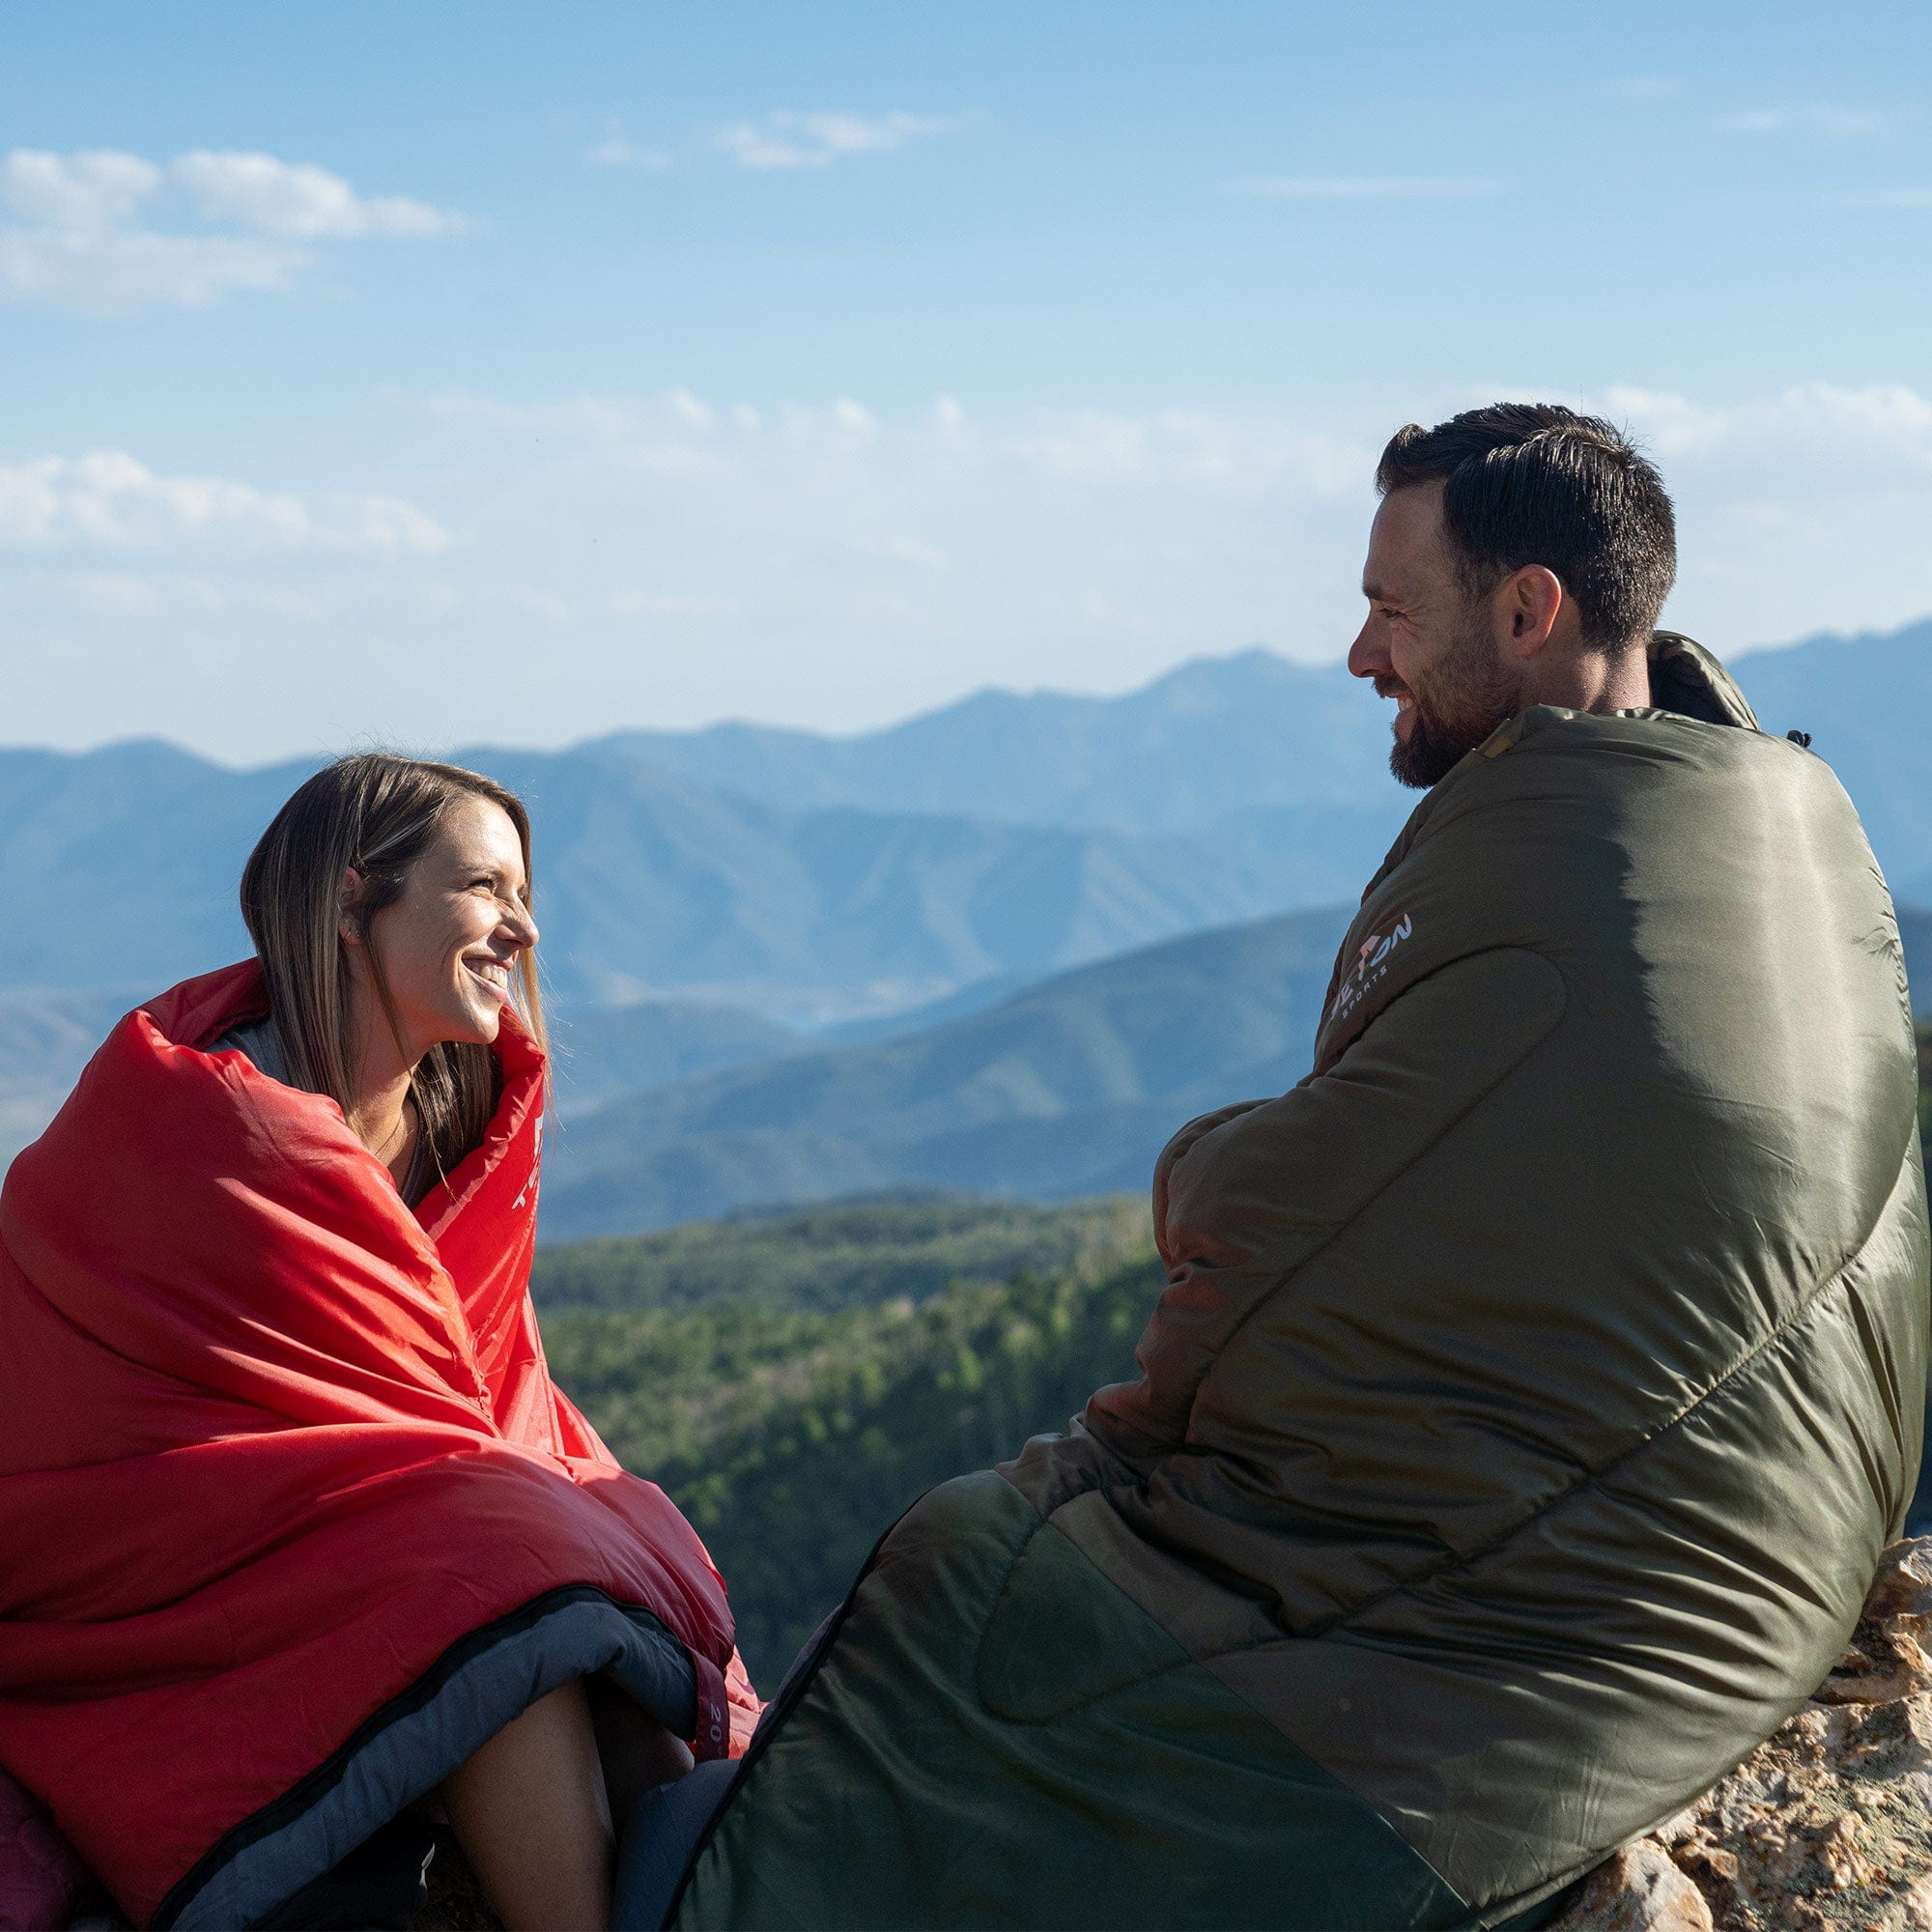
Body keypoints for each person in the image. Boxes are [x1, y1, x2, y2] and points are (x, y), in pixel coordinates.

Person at [642, 406, 1929, 1931]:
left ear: (1530, 610)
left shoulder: (1580, 868)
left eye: (1394, 608)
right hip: (1755, 1557)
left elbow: (1278, 1239)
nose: (1359, 654)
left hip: (1519, 1659)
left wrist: (1191, 1204)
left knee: (964, 1582)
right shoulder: (1756, 817)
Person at [0, 754, 759, 1932]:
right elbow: (122, 1399)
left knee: (595, 1543)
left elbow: (479, 1394)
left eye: (522, 891)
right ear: (354, 902)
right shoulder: (198, 1127)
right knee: (489, 1577)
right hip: (145, 1546)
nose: (524, 924)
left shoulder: (452, 1120)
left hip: (359, 1523)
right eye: (484, 889)